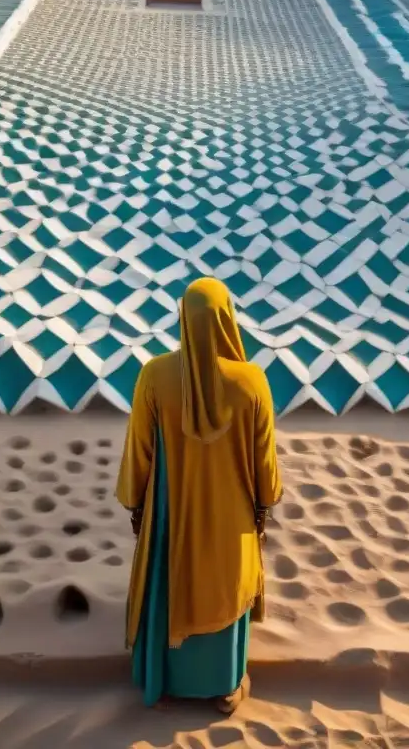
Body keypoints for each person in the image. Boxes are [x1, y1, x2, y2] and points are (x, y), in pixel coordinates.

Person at [115, 276, 283, 714]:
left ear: (183, 322)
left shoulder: (154, 375)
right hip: (232, 519)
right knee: (223, 587)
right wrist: (265, 501)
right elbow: (265, 460)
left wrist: (134, 501)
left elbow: (139, 451)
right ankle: (226, 687)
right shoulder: (252, 382)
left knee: (173, 587)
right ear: (228, 320)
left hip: (173, 516)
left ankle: (166, 680)